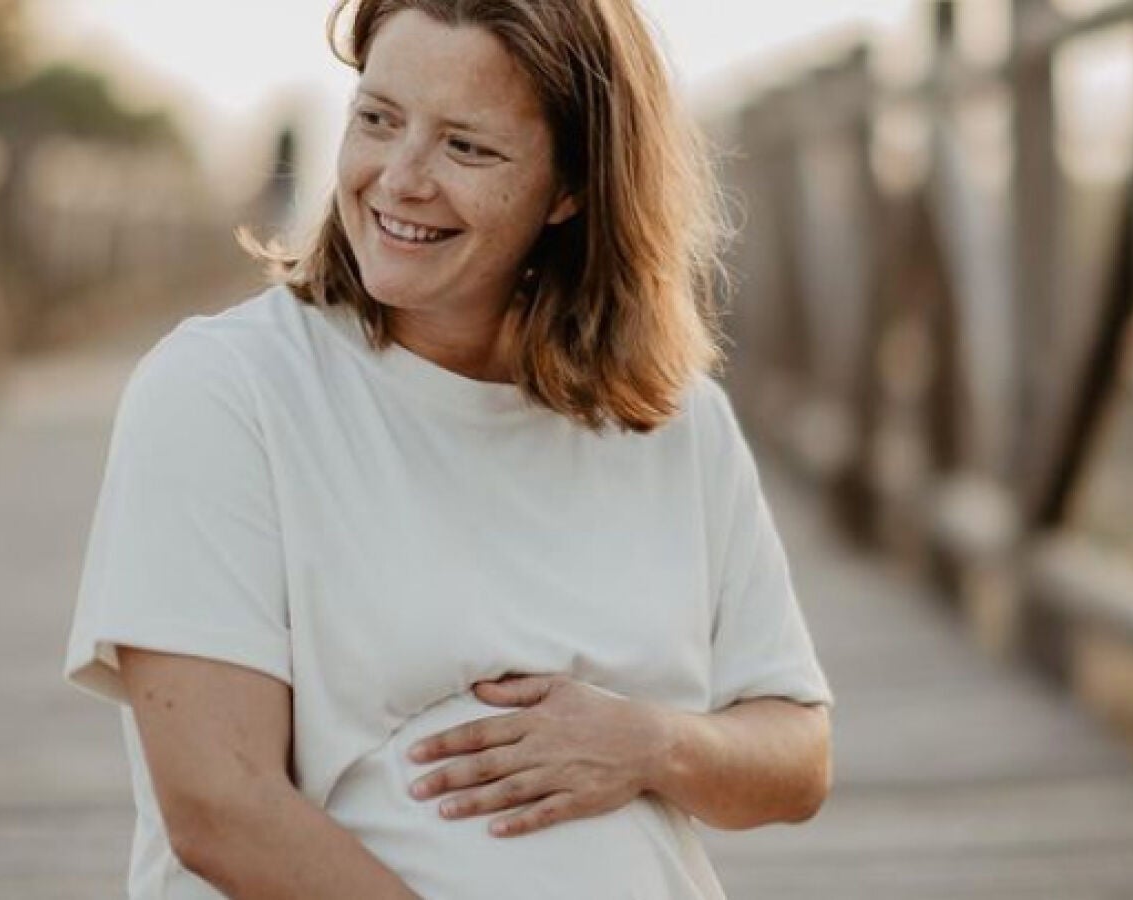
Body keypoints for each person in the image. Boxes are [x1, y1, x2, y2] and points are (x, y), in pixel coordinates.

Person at [63, 0, 835, 897]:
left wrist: (651, 743)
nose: (400, 179)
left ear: (570, 187)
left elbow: (798, 755)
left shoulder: (674, 417)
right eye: (378, 120)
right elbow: (219, 809)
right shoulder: (224, 391)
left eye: (466, 147)